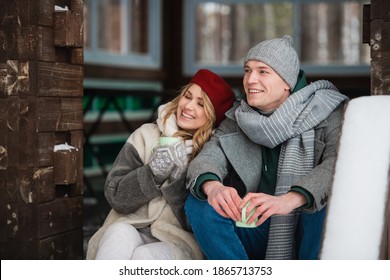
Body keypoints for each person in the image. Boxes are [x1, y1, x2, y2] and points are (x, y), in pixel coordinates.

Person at [184, 36, 349, 260]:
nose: (251, 79)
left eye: (263, 71)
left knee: (322, 206)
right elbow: (209, 156)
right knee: (200, 203)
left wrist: (288, 200)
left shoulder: (327, 111)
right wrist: (213, 187)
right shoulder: (239, 116)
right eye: (247, 70)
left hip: (303, 226)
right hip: (253, 225)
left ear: (287, 82)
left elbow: (337, 165)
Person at [86, 69, 236, 260]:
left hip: (178, 240)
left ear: (213, 116)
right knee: (117, 235)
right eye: (187, 96)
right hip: (131, 224)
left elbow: (201, 224)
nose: (189, 106)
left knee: (145, 256)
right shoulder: (145, 135)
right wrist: (153, 173)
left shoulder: (212, 156)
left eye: (200, 104)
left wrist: (176, 181)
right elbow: (115, 196)